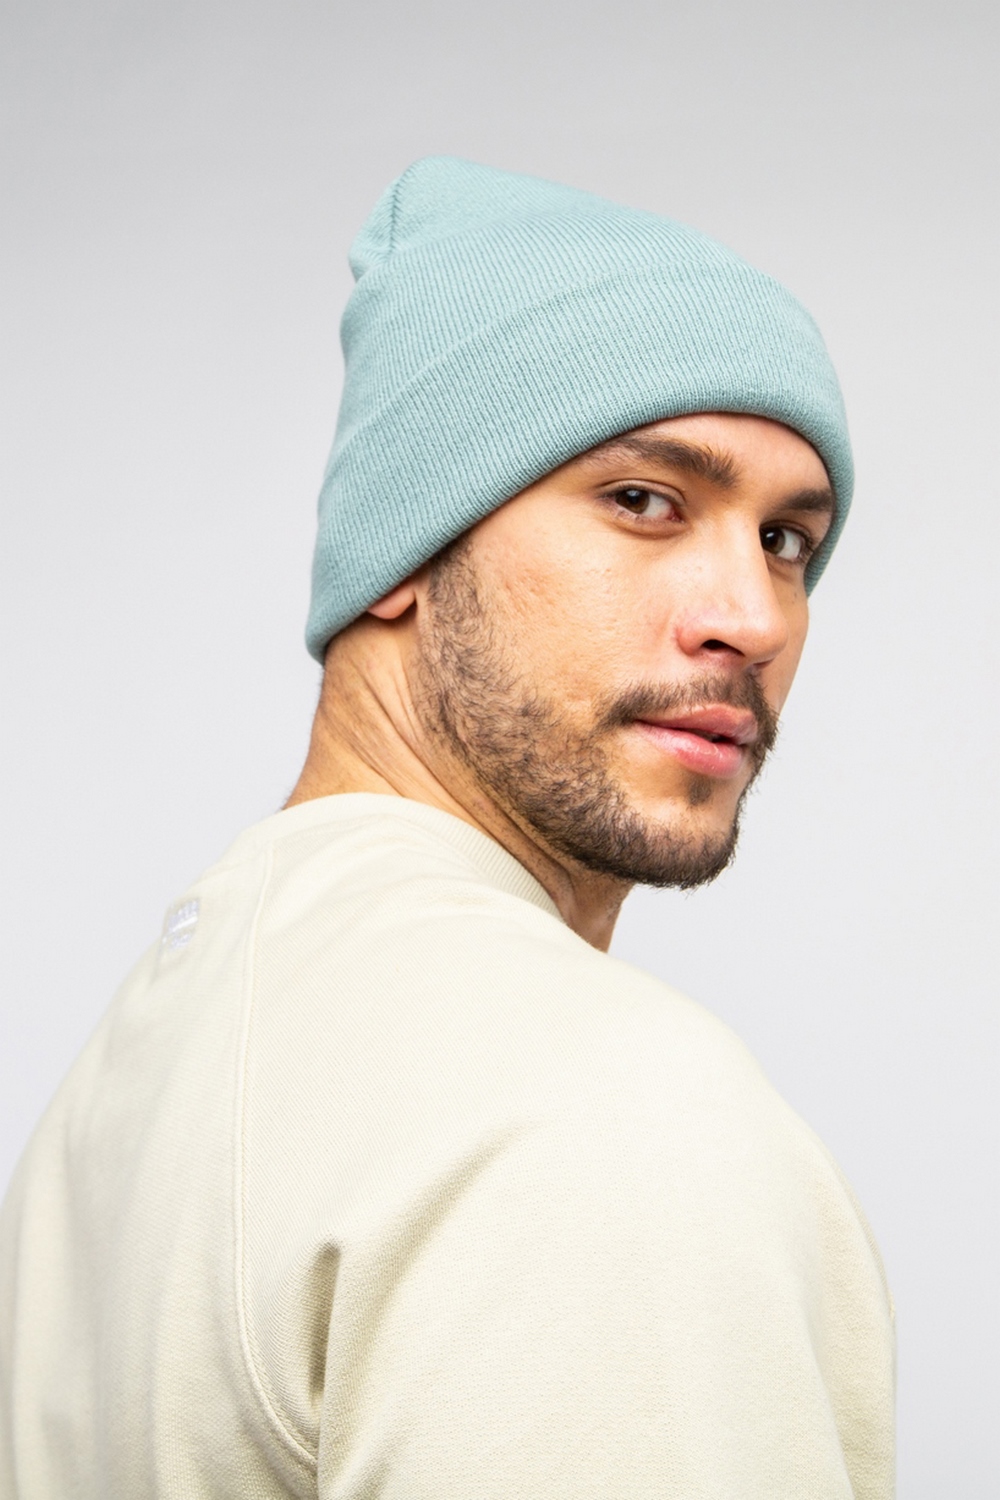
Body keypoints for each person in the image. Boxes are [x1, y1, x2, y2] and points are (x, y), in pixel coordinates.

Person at [0, 157, 895, 1498]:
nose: (754, 619)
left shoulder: (140, 1067)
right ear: (406, 542)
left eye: (785, 540)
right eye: (644, 501)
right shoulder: (592, 1105)